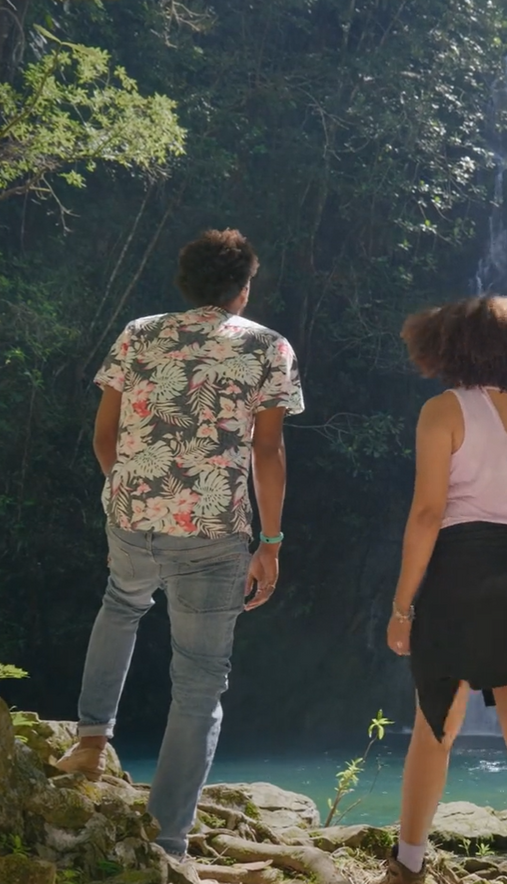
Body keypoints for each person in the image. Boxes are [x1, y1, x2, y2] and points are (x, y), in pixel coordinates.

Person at [54, 228, 304, 859]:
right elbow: (267, 450)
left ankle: (89, 741)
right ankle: (167, 843)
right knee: (198, 685)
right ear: (243, 290)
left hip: (131, 516)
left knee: (122, 604)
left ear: (185, 283)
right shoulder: (268, 347)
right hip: (214, 533)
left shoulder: (140, 333)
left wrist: (128, 489)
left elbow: (104, 433)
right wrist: (269, 542)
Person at [382, 295, 507, 884]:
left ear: (455, 343)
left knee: (436, 725)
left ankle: (408, 863)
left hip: (461, 575)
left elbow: (428, 514)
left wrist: (401, 606)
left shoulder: (444, 411)